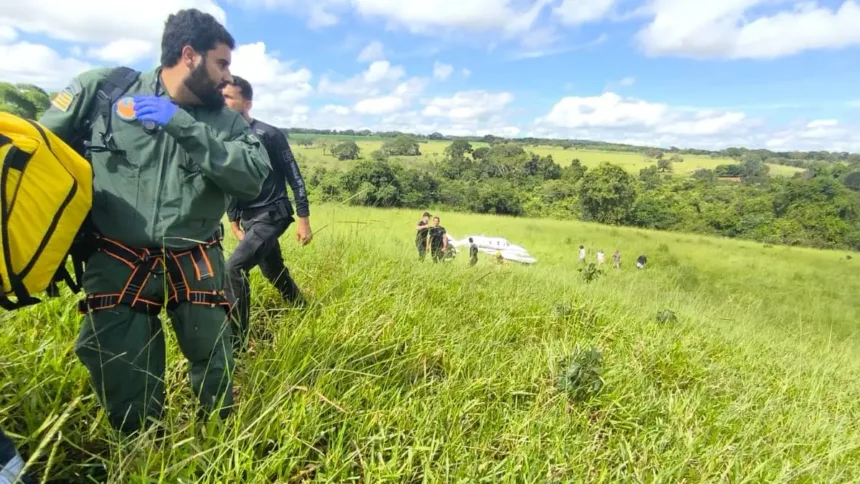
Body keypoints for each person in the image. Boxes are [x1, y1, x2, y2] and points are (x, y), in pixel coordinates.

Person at [37, 8, 271, 434]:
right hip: (116, 258)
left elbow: (253, 179)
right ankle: (140, 449)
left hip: (195, 258)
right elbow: (34, 154)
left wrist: (182, 126)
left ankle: (217, 444)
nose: (227, 77)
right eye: (221, 63)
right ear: (189, 55)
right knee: (121, 366)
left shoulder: (225, 122)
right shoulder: (104, 92)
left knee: (214, 359)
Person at [221, 75, 312, 353]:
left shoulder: (268, 134)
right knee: (273, 270)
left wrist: (304, 220)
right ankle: (304, 309)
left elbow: (294, 175)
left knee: (234, 268)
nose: (223, 101)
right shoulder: (225, 136)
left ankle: (237, 345)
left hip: (273, 213)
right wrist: (233, 218)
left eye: (229, 97)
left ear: (246, 103)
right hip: (249, 218)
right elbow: (230, 180)